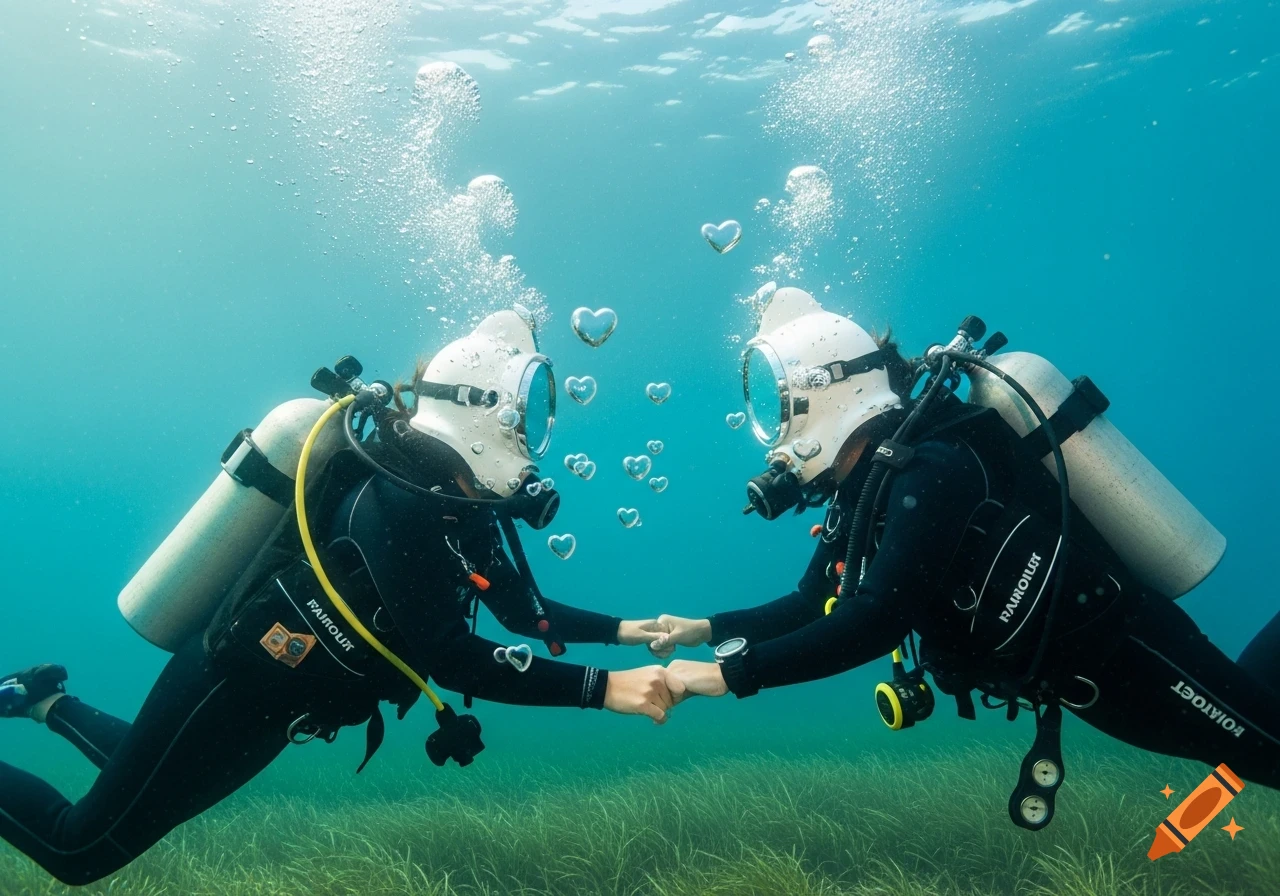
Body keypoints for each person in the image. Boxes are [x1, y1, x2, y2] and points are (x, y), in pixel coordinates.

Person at [0, 309, 673, 885]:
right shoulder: (398, 501)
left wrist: (635, 630)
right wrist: (604, 690)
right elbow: (454, 660)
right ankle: (44, 705)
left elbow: (527, 614)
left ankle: (44, 700)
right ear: (482, 406)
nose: (532, 432)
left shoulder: (461, 505)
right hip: (229, 682)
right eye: (527, 410)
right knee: (79, 848)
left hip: (284, 707)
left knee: (148, 782)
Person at [652, 287, 1280, 826]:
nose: (776, 431)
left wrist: (726, 675)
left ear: (826, 389)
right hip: (1078, 680)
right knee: (1255, 732)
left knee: (1270, 753)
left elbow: (874, 620)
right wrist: (705, 630)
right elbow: (811, 601)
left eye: (779, 404)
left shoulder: (930, 469)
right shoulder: (861, 493)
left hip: (1128, 649)